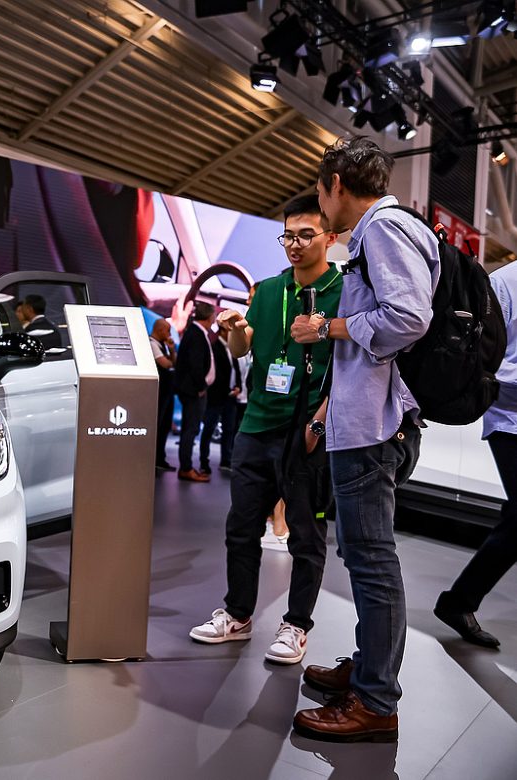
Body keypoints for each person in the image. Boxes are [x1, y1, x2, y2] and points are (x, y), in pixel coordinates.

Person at [289, 137, 438, 743]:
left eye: (320, 191)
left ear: (335, 184)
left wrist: (329, 326)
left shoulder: (383, 229)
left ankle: (375, 701)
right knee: (364, 557)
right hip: (368, 422)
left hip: (373, 428)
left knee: (372, 563)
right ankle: (368, 667)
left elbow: (409, 317)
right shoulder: (383, 231)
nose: (322, 205)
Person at [188, 194, 340, 665]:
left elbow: (353, 367)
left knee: (306, 536)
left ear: (330, 238)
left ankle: (296, 626)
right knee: (241, 529)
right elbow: (242, 348)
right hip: (256, 426)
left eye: (306, 235)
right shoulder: (271, 290)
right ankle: (237, 615)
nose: (295, 245)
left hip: (306, 430)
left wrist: (319, 423)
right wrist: (235, 327)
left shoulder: (345, 290)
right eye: (288, 236)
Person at [433, 253, 517, 649]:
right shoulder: (505, 283)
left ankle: (458, 602)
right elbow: (487, 356)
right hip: (510, 418)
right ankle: (458, 601)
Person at [173, 300, 216, 482]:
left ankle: (187, 467)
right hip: (193, 391)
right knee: (190, 429)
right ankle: (186, 468)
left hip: (193, 389)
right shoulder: (196, 334)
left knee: (190, 429)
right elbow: (195, 364)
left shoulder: (195, 332)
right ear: (210, 316)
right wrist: (200, 387)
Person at [199, 335, 240, 475]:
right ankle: (204, 461)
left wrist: (238, 386)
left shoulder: (232, 348)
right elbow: (214, 372)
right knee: (209, 429)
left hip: (231, 396)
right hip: (216, 396)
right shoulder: (214, 346)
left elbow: (235, 369)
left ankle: (226, 460)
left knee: (229, 429)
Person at [150, 318, 177, 472]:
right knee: (158, 425)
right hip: (158, 393)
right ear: (160, 330)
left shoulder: (163, 346)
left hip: (167, 391)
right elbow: (166, 364)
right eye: (167, 330)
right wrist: (170, 358)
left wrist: (172, 350)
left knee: (165, 425)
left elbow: (173, 362)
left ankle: (160, 458)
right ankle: (154, 459)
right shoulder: (152, 344)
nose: (169, 334)